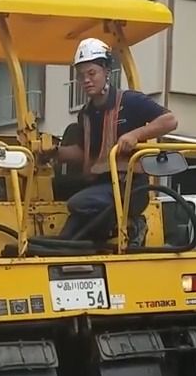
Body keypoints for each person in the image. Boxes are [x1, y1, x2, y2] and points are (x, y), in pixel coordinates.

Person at [54, 37, 179, 244]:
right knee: (67, 235)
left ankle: (132, 223)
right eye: (81, 75)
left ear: (106, 71)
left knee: (78, 203)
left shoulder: (130, 101)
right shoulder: (85, 114)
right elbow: (85, 153)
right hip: (100, 186)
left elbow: (170, 120)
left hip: (128, 187)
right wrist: (53, 152)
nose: (86, 80)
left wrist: (135, 135)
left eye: (92, 73)